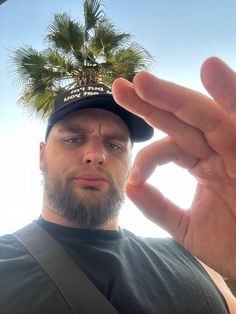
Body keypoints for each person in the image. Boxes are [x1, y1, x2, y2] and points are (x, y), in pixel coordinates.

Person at [0, 58, 235, 313]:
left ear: (129, 162)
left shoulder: (195, 258)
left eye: (114, 145)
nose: (96, 155)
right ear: (41, 156)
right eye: (74, 139)